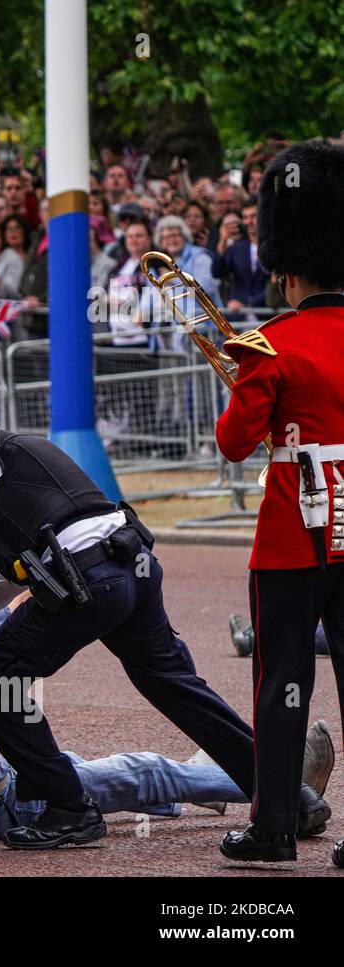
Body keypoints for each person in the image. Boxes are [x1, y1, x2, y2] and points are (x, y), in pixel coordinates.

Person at [0, 388, 329, 850]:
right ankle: (287, 800)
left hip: (90, 580)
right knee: (177, 687)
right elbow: (16, 575)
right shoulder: (10, 452)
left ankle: (68, 809)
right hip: (129, 565)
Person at [0, 537, 336, 839]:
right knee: (141, 770)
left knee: (79, 764)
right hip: (0, 802)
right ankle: (284, 788)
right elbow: (26, 606)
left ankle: (210, 779)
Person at [214, 139, 344, 863]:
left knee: (280, 684)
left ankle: (273, 827)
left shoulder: (269, 344)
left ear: (286, 268)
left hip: (295, 537)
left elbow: (235, 443)